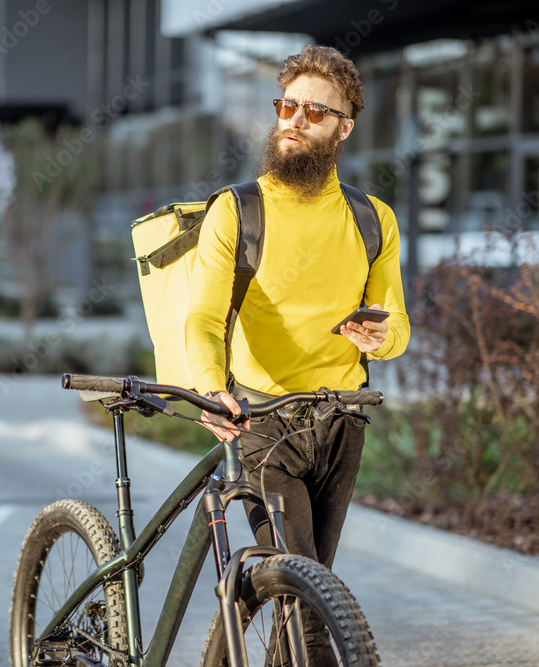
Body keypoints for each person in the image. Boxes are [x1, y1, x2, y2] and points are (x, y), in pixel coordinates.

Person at [185, 44, 410, 662]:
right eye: (287, 105)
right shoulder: (238, 210)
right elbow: (204, 317)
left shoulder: (373, 220)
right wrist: (210, 385)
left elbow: (398, 325)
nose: (295, 119)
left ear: (344, 128)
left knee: (304, 587)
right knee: (313, 598)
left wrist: (379, 336)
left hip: (341, 422)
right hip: (260, 423)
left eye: (316, 112)